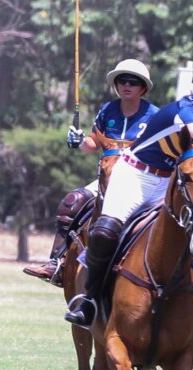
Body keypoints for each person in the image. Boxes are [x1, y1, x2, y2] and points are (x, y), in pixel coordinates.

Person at [63, 51, 193, 328]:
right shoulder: (186, 109)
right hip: (134, 176)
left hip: (170, 181)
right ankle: (89, 301)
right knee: (105, 230)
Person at [23, 59, 158, 285]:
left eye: (133, 82)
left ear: (142, 87)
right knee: (71, 202)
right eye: (122, 81)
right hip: (106, 177)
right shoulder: (107, 110)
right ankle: (57, 263)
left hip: (140, 181)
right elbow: (93, 144)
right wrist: (78, 140)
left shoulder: (154, 115)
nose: (127, 85)